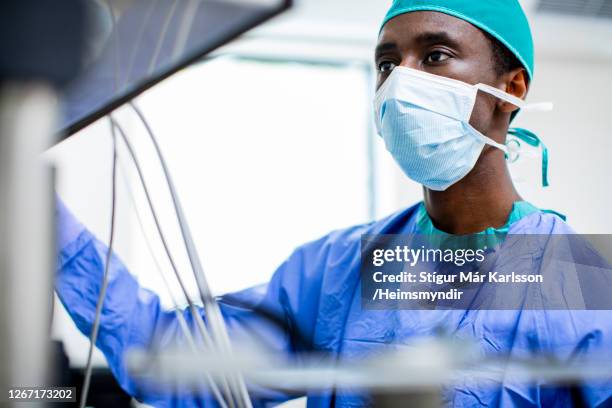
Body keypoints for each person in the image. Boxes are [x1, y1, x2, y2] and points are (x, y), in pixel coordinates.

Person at [56, 0, 612, 406]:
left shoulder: (582, 287)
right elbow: (169, 360)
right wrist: (43, 226)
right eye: (387, 64)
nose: (400, 83)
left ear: (512, 88)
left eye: (436, 56)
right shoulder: (339, 270)